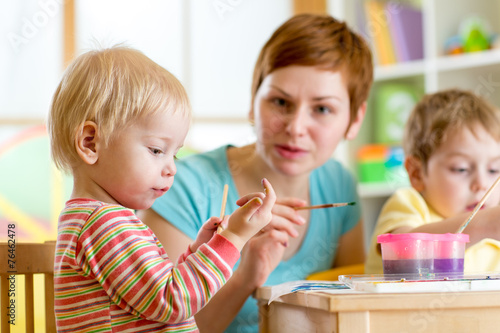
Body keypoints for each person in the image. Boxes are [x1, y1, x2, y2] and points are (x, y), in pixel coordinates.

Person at [138, 13, 373, 332]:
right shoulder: (180, 187)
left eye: (322, 109)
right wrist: (246, 277)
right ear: (253, 99)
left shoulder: (338, 184)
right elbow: (160, 327)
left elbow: (351, 313)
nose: (295, 127)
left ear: (355, 119)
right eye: (280, 101)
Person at [48, 46, 276, 332]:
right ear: (91, 143)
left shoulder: (95, 221)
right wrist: (234, 238)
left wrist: (199, 251)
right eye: (157, 150)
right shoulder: (104, 225)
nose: (172, 168)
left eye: (175, 154)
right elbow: (173, 300)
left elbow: (156, 286)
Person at [365, 89, 500, 274]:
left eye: (494, 170)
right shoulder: (409, 204)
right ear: (417, 173)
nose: (482, 184)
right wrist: (484, 224)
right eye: (461, 168)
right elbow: (401, 252)